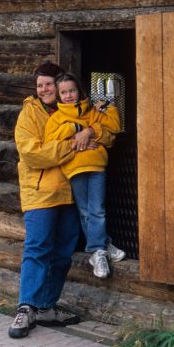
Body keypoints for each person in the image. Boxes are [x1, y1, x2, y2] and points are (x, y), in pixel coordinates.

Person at [8, 62, 111, 339]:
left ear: (60, 84)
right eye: (39, 85)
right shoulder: (29, 114)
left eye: (48, 84)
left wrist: (90, 132)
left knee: (63, 252)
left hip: (70, 192)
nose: (44, 90)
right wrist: (73, 144)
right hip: (40, 192)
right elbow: (33, 154)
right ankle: (26, 307)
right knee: (37, 248)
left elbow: (106, 131)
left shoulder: (78, 109)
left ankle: (46, 307)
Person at [44, 72, 125, 278]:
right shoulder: (57, 118)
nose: (69, 95)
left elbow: (114, 128)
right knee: (86, 211)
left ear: (78, 91)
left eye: (72, 90)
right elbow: (51, 142)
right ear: (59, 95)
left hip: (97, 166)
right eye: (64, 92)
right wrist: (75, 132)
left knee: (97, 209)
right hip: (75, 169)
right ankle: (101, 248)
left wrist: (91, 129)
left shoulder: (91, 112)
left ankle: (99, 249)